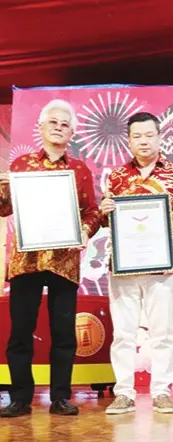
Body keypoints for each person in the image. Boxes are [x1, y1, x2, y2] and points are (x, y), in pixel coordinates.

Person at [0, 99, 101, 418]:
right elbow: (4, 209)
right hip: (26, 262)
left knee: (63, 333)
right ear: (41, 127)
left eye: (64, 124)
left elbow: (92, 211)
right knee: (20, 332)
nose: (58, 127)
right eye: (52, 122)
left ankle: (60, 396)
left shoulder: (80, 170)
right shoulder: (21, 166)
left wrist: (86, 230)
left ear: (72, 132)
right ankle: (19, 399)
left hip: (64, 262)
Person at [100, 112, 173, 414]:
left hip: (163, 267)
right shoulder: (116, 177)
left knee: (162, 333)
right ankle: (124, 393)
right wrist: (105, 210)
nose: (144, 141)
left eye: (149, 135)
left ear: (159, 137)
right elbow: (110, 224)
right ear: (129, 140)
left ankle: (161, 391)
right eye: (137, 136)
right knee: (123, 334)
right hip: (123, 268)